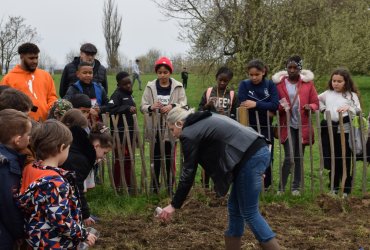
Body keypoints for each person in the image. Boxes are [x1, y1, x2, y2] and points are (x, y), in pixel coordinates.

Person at [159, 107, 280, 250]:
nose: (173, 135)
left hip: (250, 157)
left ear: (179, 123)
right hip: (255, 152)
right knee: (234, 208)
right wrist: (255, 167)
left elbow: (188, 173)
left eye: (172, 129)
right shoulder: (205, 118)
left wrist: (174, 205)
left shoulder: (189, 133)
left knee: (249, 212)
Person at [17, 120, 97, 249]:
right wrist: (83, 234)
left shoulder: (30, 169)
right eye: (68, 148)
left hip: (36, 238)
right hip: (54, 242)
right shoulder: (55, 183)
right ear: (61, 148)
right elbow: (61, 220)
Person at [272, 55, 319, 195]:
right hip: (286, 125)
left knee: (299, 157)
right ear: (286, 68)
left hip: (302, 124)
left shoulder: (308, 84)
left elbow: (316, 103)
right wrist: (280, 108)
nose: (292, 70)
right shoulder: (279, 84)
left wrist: (310, 106)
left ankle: (295, 187)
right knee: (289, 157)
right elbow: (275, 102)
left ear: (300, 68)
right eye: (289, 67)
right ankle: (281, 187)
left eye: (295, 67)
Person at [140, 56, 187, 193]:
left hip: (171, 130)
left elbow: (184, 105)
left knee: (169, 158)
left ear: (170, 72)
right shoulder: (150, 87)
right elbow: (143, 106)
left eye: (165, 72)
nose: (162, 75)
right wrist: (151, 107)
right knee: (155, 159)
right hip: (154, 129)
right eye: (160, 72)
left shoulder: (178, 86)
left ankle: (169, 186)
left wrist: (172, 106)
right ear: (156, 73)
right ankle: (155, 186)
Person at [61, 111, 113, 226]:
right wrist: (85, 214)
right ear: (97, 146)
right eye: (104, 153)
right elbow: (77, 188)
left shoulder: (80, 147)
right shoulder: (81, 160)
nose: (103, 156)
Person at [319, 68, 361, 196]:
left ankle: (346, 189)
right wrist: (323, 108)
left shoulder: (351, 95)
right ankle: (334, 187)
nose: (336, 83)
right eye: (334, 81)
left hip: (346, 132)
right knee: (333, 159)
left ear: (346, 82)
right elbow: (317, 100)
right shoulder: (327, 93)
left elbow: (358, 109)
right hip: (330, 132)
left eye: (339, 81)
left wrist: (350, 108)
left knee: (344, 159)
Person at [238, 59, 279, 190]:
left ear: (263, 72)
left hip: (266, 126)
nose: (254, 77)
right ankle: (250, 183)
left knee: (267, 154)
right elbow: (243, 103)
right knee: (249, 155)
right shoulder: (244, 85)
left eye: (257, 74)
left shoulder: (270, 85)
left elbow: (275, 105)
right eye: (251, 75)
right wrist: (265, 108)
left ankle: (266, 185)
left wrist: (256, 104)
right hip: (249, 126)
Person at [198, 66, 238, 188]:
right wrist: (207, 105)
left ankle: (219, 187)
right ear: (216, 78)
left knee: (222, 159)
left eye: (225, 81)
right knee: (207, 158)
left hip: (225, 131)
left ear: (229, 81)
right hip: (209, 130)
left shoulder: (232, 95)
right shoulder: (209, 92)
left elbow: (236, 114)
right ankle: (205, 186)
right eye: (220, 80)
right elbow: (199, 111)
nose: (222, 83)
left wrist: (225, 114)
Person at [0, 42, 58, 121]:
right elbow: (4, 104)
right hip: (21, 125)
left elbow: (52, 97)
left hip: (44, 124)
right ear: (21, 57)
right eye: (31, 58)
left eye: (36, 58)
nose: (35, 61)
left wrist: (49, 111)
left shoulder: (46, 75)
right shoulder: (9, 79)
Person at [0, 109, 31, 249]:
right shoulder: (7, 166)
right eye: (28, 135)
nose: (29, 138)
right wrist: (19, 234)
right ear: (18, 140)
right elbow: (9, 205)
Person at [108, 71, 136, 189]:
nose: (128, 86)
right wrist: (127, 108)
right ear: (119, 84)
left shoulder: (129, 94)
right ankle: (118, 185)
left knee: (129, 160)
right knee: (120, 160)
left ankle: (128, 184)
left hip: (130, 133)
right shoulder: (116, 95)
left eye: (129, 83)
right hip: (120, 135)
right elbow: (111, 109)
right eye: (125, 84)